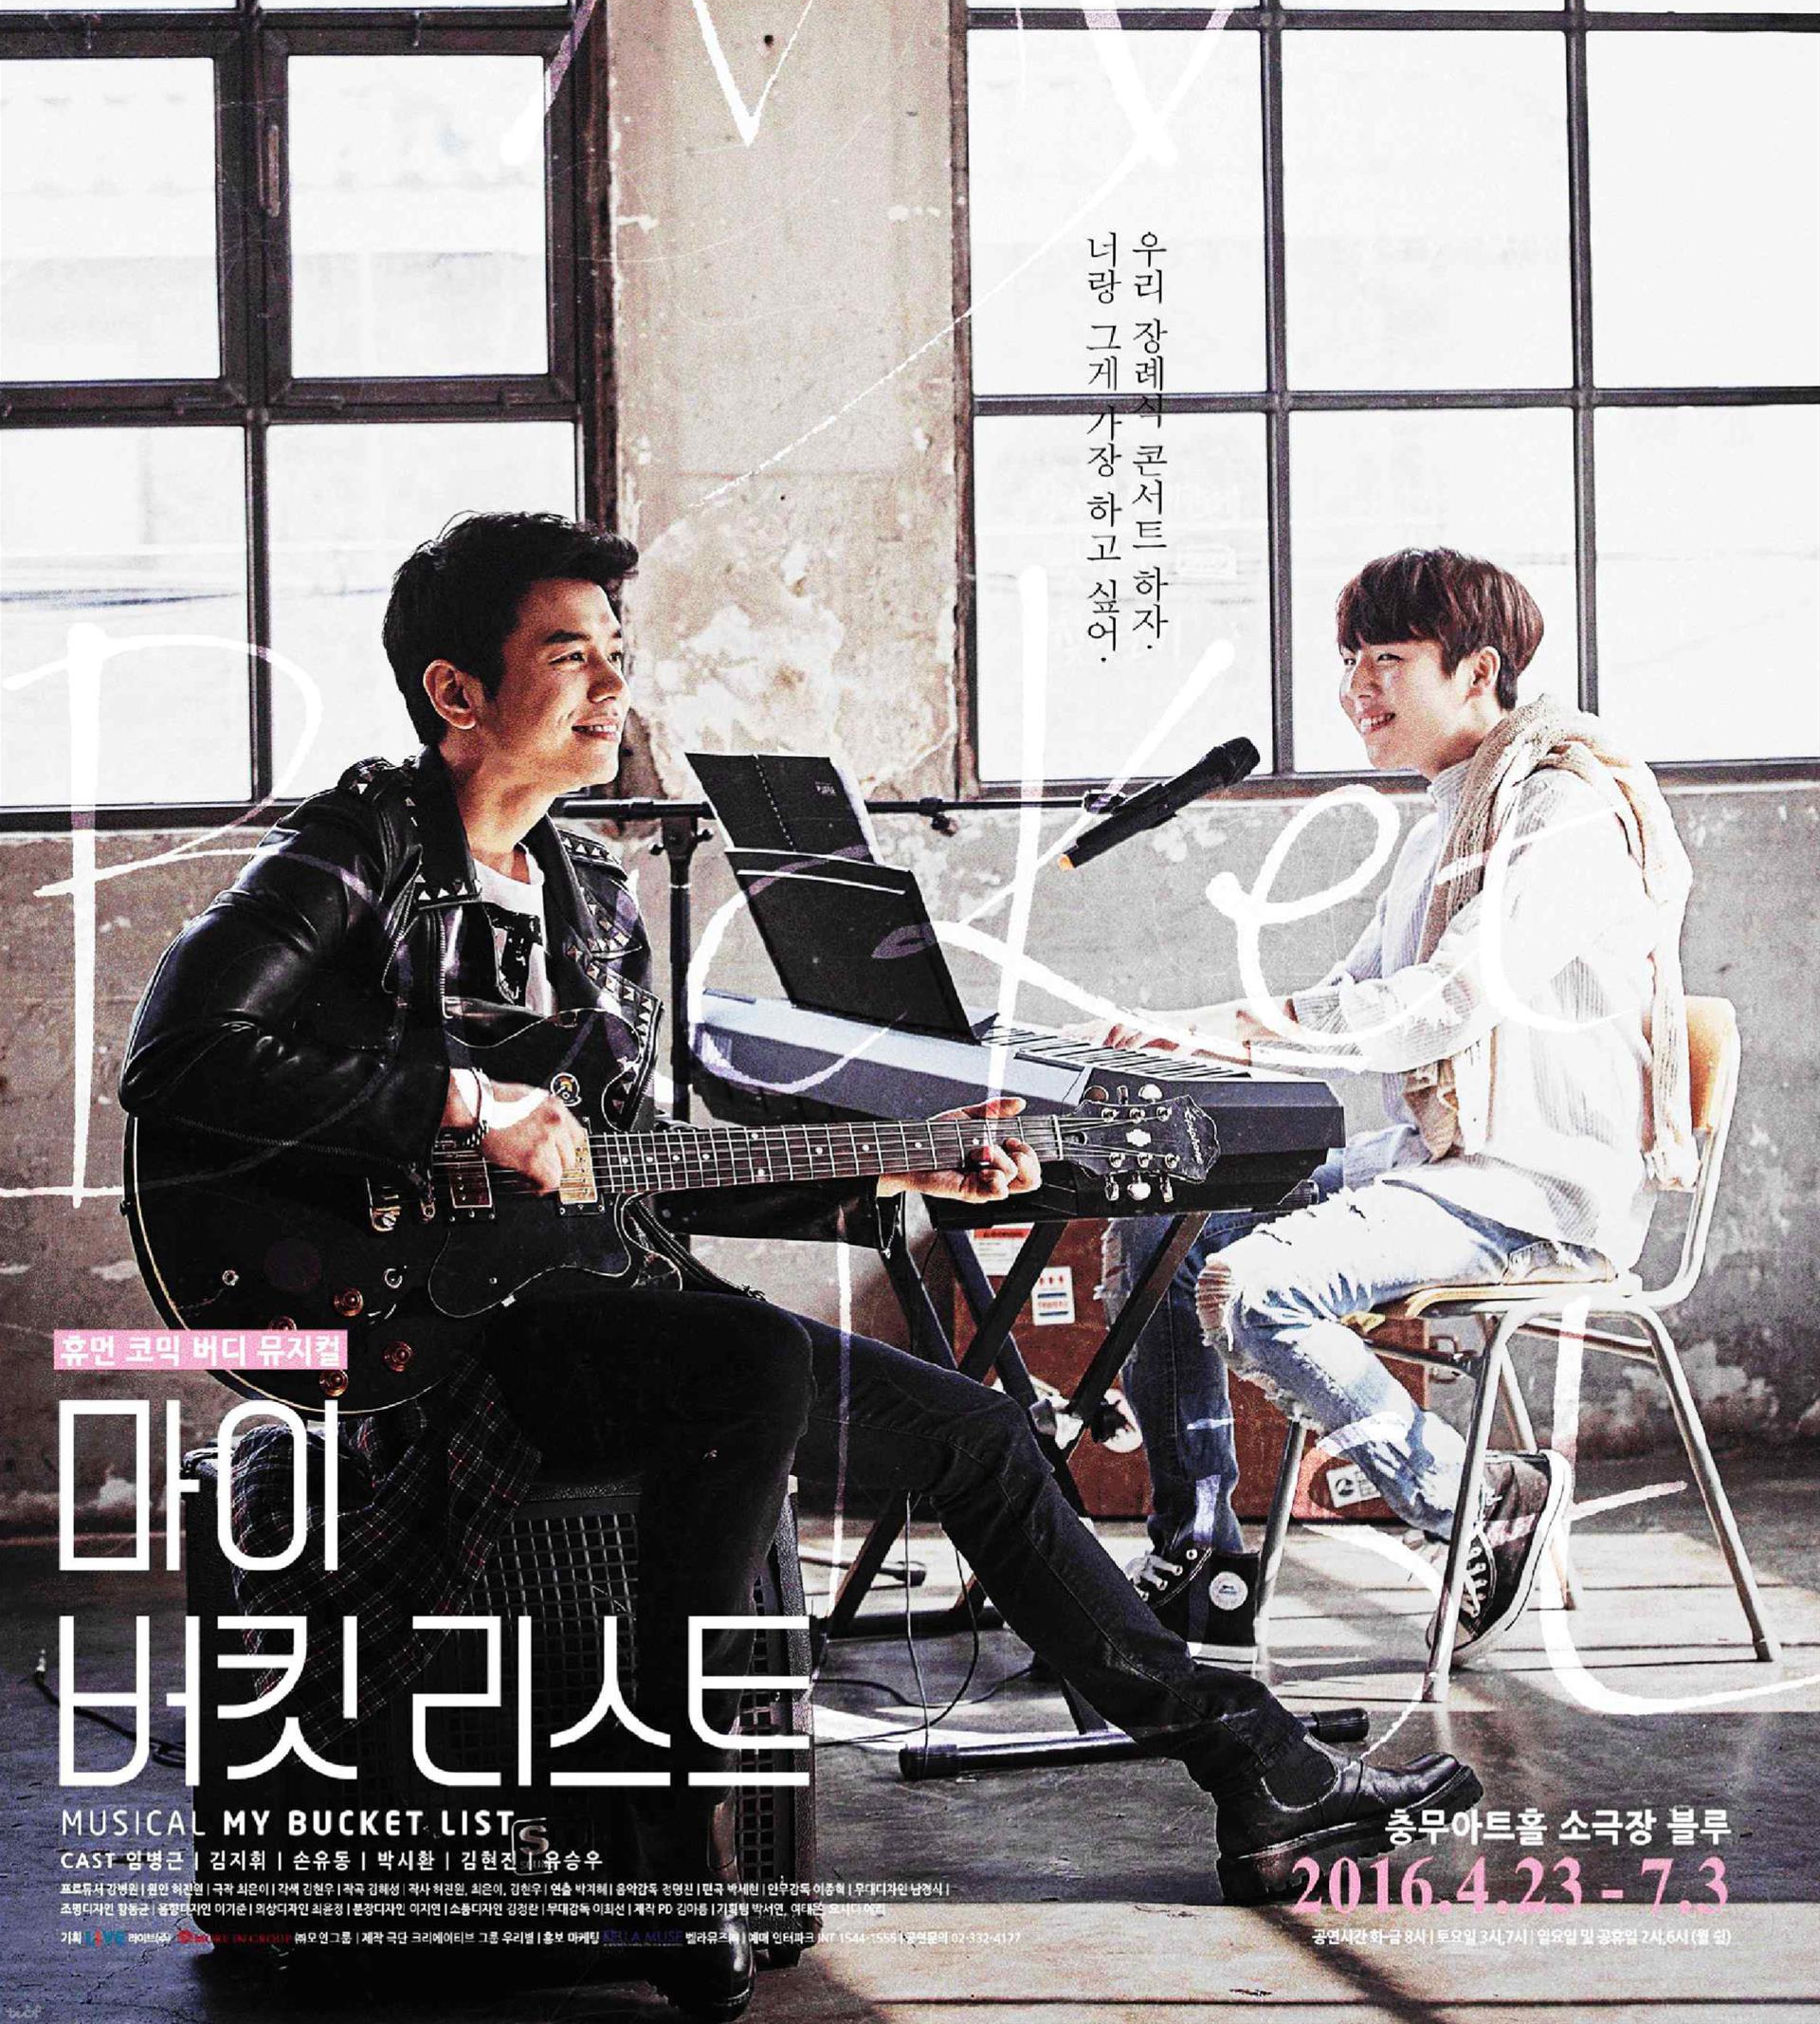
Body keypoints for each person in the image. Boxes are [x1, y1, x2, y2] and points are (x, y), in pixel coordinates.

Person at [121, 512, 1479, 2014]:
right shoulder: (361, 849)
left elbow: (632, 1172)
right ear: (456, 691)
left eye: (618, 655)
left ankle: (1254, 1765)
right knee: (752, 1355)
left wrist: (899, 1168)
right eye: (570, 655)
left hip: (595, 1312)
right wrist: (456, 1101)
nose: (612, 688)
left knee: (977, 1433)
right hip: (411, 1331)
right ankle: (663, 1813)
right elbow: (180, 1058)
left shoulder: (592, 906)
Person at [1104, 546, 1695, 1667]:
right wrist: (1202, 1031)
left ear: (1478, 672)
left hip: (1534, 1185)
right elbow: (1356, 994)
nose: (1355, 688)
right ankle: (1200, 1551)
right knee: (1164, 1217)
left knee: (1253, 1285)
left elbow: (1445, 1005)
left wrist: (1244, 1027)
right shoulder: (1445, 817)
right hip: (1434, 1162)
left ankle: (1479, 1500)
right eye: (1350, 660)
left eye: (1388, 659)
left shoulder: (1561, 811)